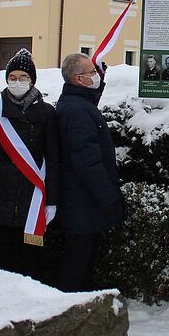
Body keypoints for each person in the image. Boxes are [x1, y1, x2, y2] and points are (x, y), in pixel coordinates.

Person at [0, 49, 59, 279]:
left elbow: (53, 159)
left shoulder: (47, 113)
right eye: (13, 77)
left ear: (32, 81)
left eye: (23, 77)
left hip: (32, 198)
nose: (17, 82)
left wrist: (52, 200)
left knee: (29, 262)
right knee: (3, 262)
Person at [55, 53, 124, 292]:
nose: (95, 76)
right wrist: (109, 197)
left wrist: (100, 81)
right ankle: (68, 314)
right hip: (82, 202)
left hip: (81, 202)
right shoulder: (77, 112)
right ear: (78, 79)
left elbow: (88, 101)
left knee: (82, 260)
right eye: (91, 73)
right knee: (77, 264)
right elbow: (87, 161)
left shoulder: (76, 103)